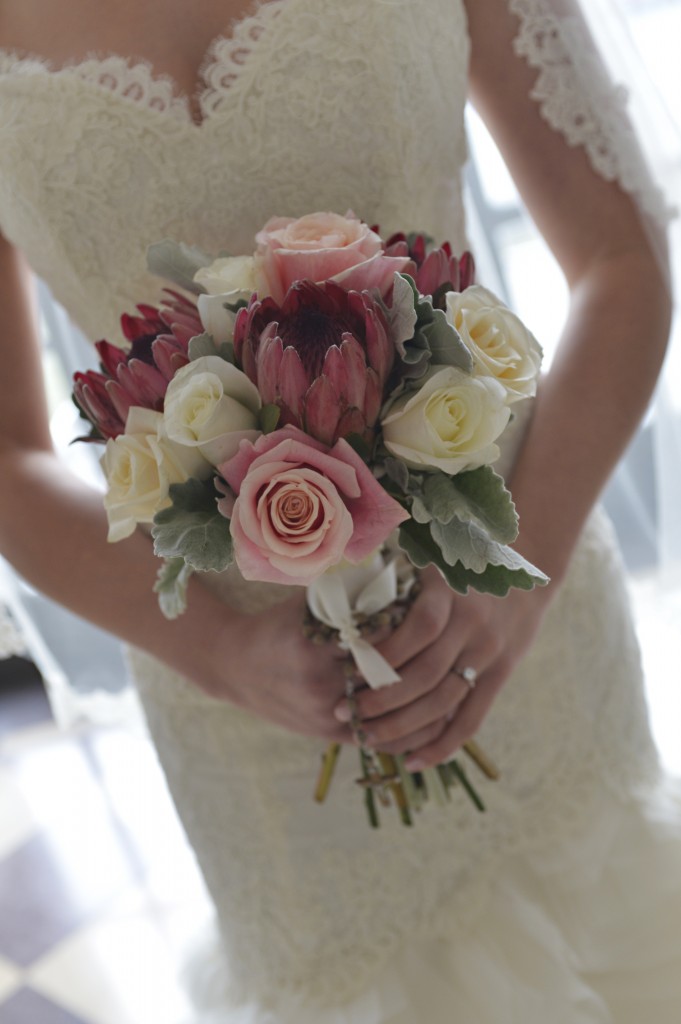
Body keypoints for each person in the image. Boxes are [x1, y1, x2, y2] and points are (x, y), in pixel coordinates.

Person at [0, 0, 679, 1020]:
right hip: (252, 728)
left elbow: (621, 261)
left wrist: (513, 575)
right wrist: (222, 652)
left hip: (517, 628)